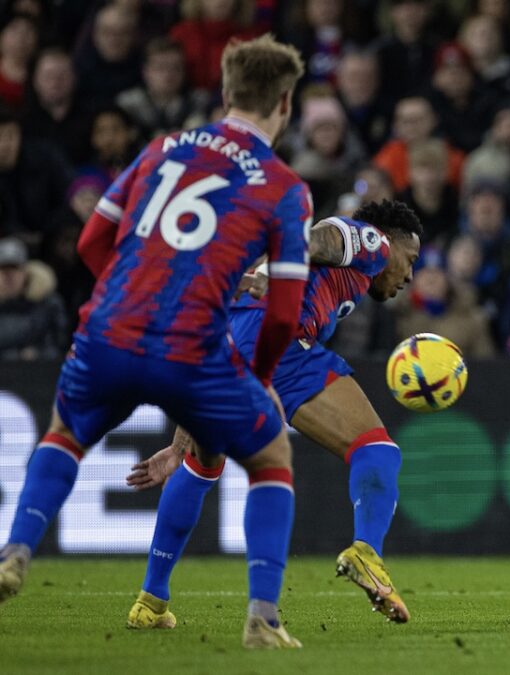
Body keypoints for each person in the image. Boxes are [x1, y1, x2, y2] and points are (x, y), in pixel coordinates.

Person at [0, 35, 313, 650]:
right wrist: (262, 380)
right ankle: (263, 619)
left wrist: (129, 296)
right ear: (285, 103)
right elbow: (281, 315)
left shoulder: (161, 148)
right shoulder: (284, 188)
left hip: (109, 332)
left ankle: (15, 551)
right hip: (193, 348)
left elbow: (92, 242)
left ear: (224, 93)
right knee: (271, 456)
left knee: (65, 433)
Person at [124, 200, 422, 627]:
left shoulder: (341, 279)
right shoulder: (370, 242)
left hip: (229, 344)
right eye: (409, 260)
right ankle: (366, 552)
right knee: (377, 449)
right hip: (279, 344)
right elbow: (314, 239)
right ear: (389, 241)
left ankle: (150, 603)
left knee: (200, 464)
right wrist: (267, 275)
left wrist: (176, 445)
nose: (409, 275)